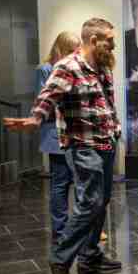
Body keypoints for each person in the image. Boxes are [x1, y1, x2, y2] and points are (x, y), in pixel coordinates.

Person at [4, 18, 122, 274]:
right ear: (93, 40)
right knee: (89, 202)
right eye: (110, 41)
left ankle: (90, 257)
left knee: (100, 201)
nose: (113, 47)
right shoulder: (67, 66)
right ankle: (60, 259)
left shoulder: (102, 66)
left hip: (106, 143)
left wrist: (115, 130)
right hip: (83, 146)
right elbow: (48, 97)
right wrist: (34, 120)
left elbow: (106, 104)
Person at [36, 31, 80, 242]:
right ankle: (60, 231)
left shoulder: (71, 69)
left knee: (79, 183)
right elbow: (45, 102)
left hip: (73, 132)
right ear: (61, 50)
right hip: (55, 134)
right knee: (61, 183)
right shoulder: (45, 70)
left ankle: (80, 229)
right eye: (71, 51)